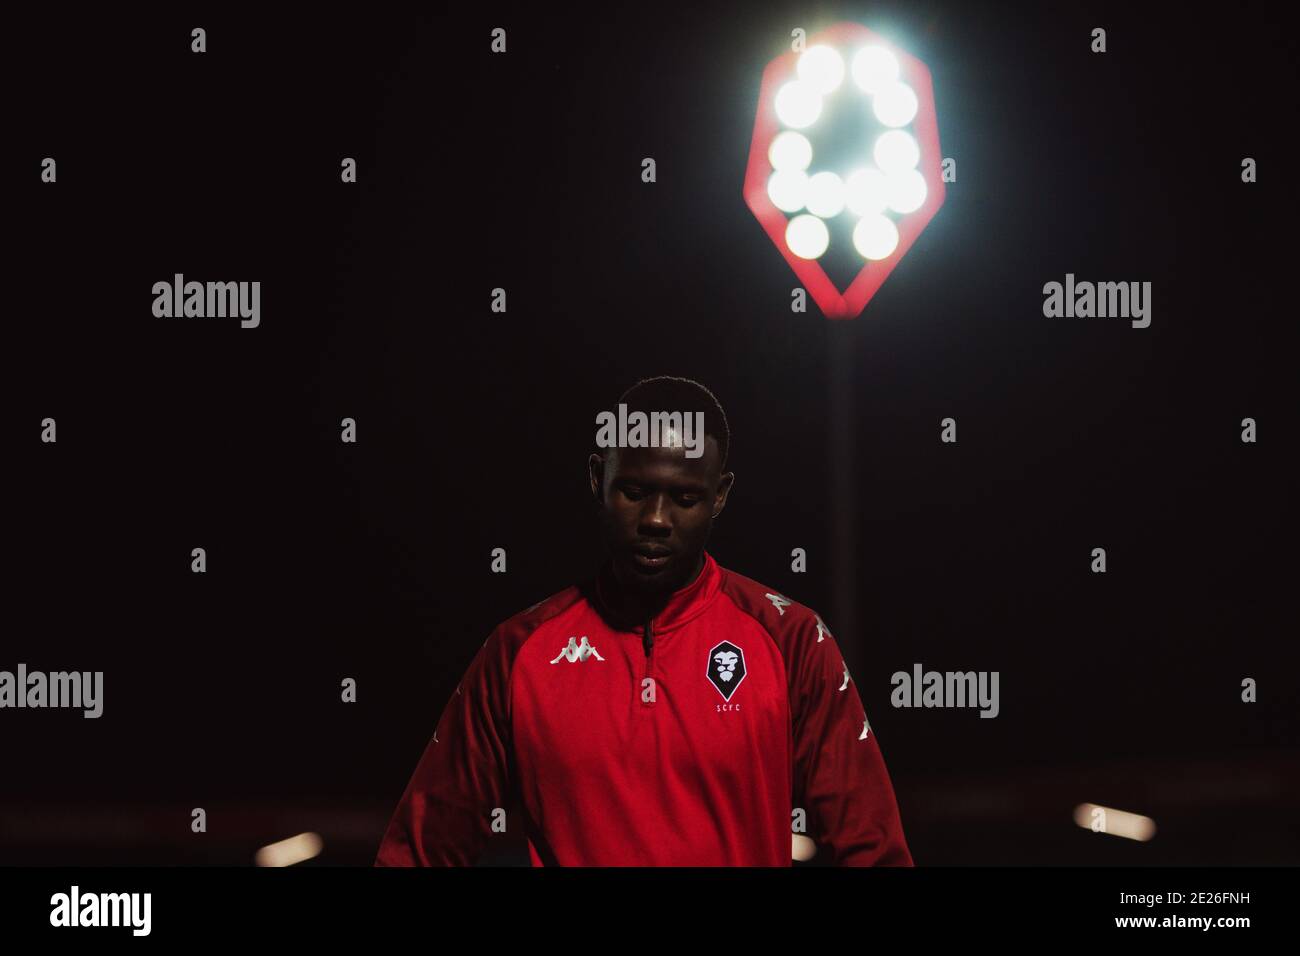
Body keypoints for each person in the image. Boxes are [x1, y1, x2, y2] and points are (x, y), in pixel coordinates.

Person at [374, 376, 913, 866]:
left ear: (719, 496)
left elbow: (872, 851)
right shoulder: (518, 652)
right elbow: (419, 852)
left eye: (685, 498)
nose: (656, 519)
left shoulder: (792, 640)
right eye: (634, 492)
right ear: (596, 477)